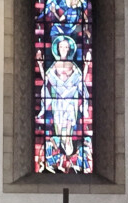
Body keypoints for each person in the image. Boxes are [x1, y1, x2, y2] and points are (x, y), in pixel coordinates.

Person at [37, 35, 91, 171]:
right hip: (58, 102)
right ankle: (63, 148)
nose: (63, 49)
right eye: (61, 47)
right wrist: (40, 64)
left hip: (70, 102)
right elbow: (47, 80)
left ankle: (67, 146)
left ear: (69, 49)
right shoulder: (54, 65)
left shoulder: (73, 65)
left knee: (68, 126)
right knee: (60, 127)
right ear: (57, 48)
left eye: (66, 47)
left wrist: (87, 65)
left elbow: (80, 81)